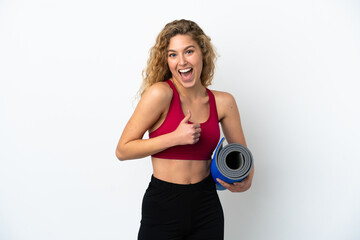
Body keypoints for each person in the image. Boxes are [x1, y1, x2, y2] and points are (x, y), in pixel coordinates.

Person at [116, 19, 254, 240]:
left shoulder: (224, 102)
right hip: (163, 204)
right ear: (167, 60)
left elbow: (242, 157)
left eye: (188, 51)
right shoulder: (160, 94)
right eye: (172, 54)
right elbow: (123, 150)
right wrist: (174, 138)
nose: (181, 61)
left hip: (206, 205)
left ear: (202, 53)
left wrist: (246, 180)